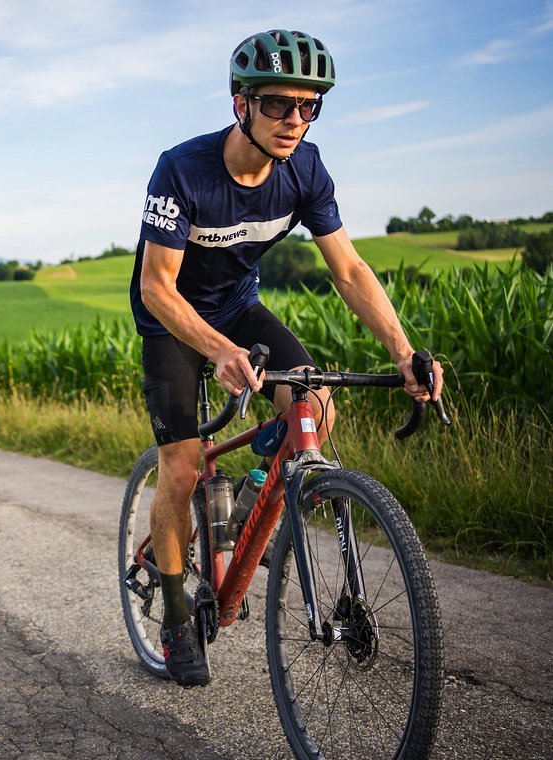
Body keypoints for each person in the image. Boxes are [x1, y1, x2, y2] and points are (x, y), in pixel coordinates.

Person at [129, 29, 444, 688]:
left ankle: (251, 500)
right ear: (240, 102)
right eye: (279, 104)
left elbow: (350, 270)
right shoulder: (182, 170)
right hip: (172, 322)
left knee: (316, 412)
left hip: (239, 308)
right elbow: (158, 287)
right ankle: (176, 618)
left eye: (310, 107)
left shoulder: (306, 170)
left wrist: (407, 353)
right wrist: (217, 351)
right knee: (182, 472)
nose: (295, 120)